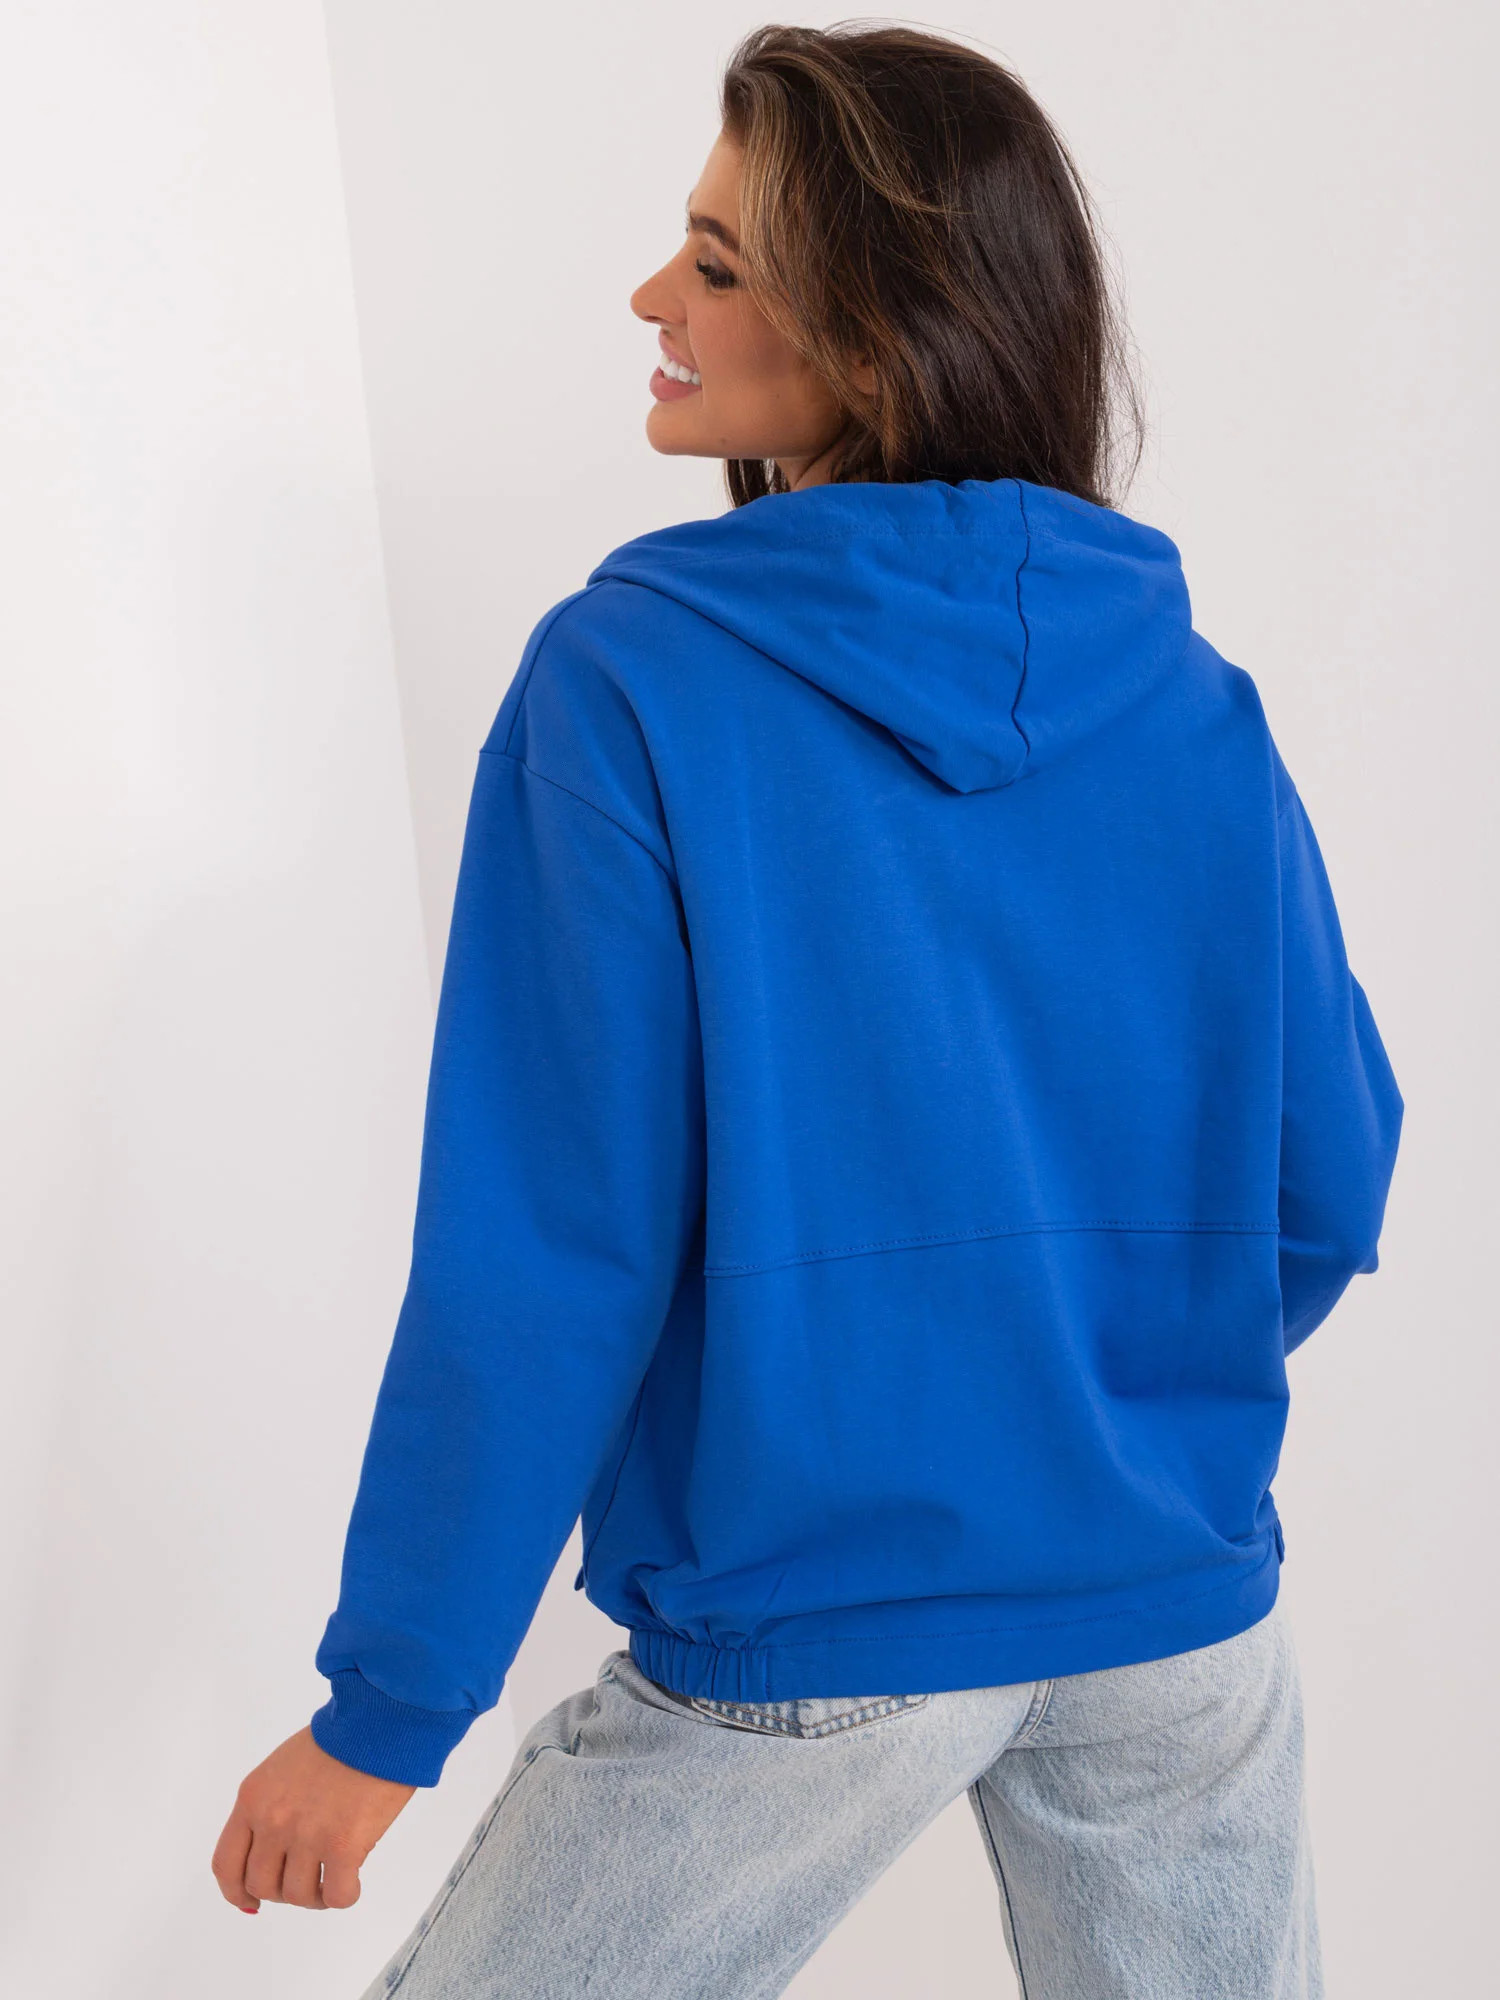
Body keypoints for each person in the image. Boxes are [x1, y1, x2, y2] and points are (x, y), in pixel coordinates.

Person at [211, 23, 1403, 1998]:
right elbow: (1327, 1184)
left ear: (878, 339)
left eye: (717, 263)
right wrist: (1083, 1392)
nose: (650, 299)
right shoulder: (1195, 703)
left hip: (813, 1610)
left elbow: (553, 1253)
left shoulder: (631, 686)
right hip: (1179, 1617)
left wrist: (386, 1712)